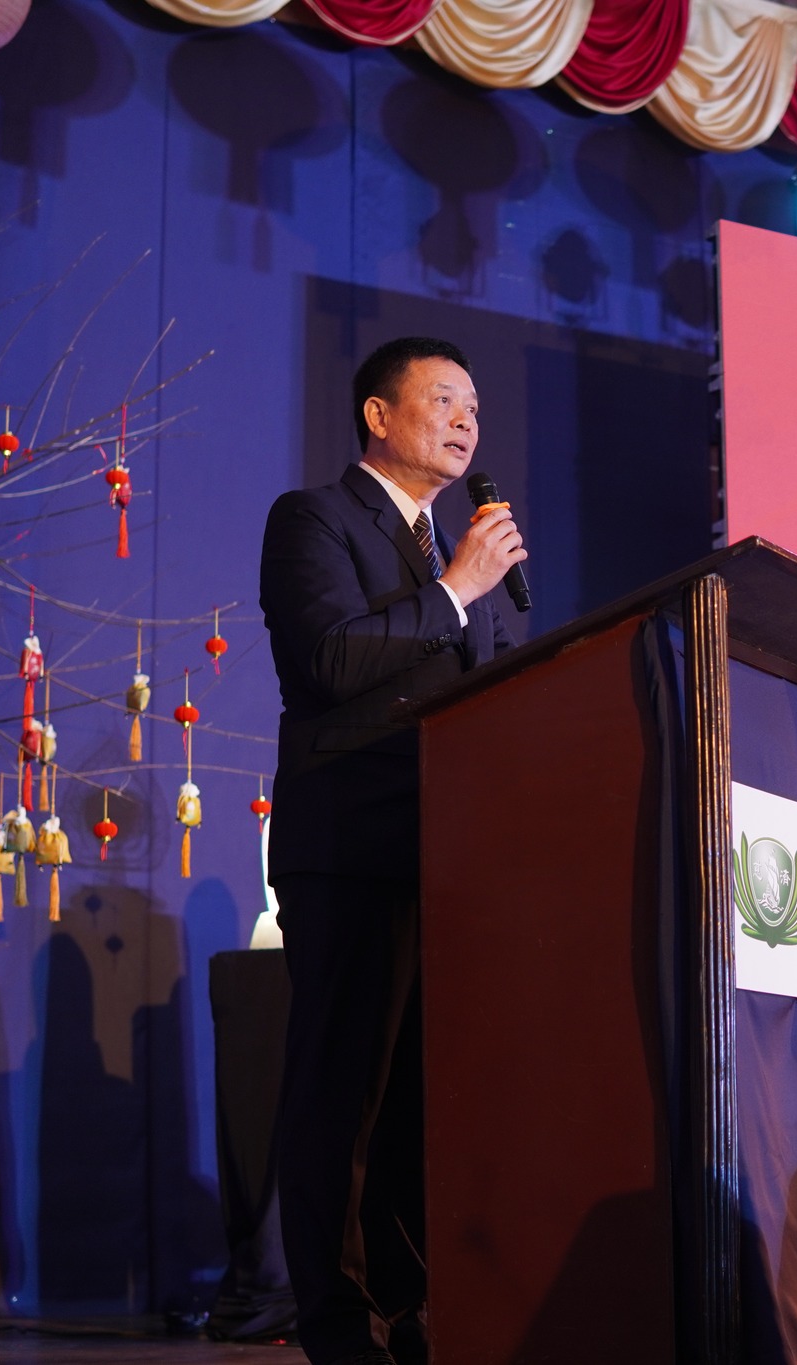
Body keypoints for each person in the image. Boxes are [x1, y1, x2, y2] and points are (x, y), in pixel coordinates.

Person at [260, 337, 527, 1365]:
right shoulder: (316, 519)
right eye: (444, 400)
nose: (466, 420)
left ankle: (415, 1311)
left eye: (474, 406)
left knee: (424, 1099)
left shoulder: (452, 552)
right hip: (353, 847)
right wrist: (458, 590)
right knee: (345, 1093)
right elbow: (327, 663)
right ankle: (339, 1326)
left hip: (451, 856)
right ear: (378, 415)